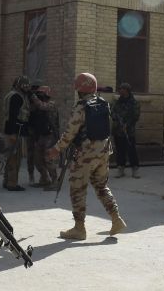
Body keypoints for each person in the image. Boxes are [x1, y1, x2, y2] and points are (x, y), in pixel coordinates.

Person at [46, 72, 127, 240]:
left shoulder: (81, 106)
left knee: (77, 189)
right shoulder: (104, 103)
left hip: (85, 154)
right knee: (102, 187)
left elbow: (70, 132)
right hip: (103, 152)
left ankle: (79, 228)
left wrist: (57, 149)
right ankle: (116, 219)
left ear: (80, 89)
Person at [25, 85, 59, 187]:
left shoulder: (51, 104)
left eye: (41, 94)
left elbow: (42, 106)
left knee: (48, 159)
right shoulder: (36, 105)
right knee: (37, 159)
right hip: (41, 136)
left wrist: (33, 96)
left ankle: (54, 181)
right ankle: (44, 179)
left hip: (51, 136)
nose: (39, 96)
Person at [1, 75, 31, 191]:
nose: (27, 87)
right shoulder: (17, 97)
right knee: (15, 158)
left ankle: (6, 181)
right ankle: (12, 184)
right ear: (19, 85)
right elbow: (13, 116)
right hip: (15, 130)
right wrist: (13, 133)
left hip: (11, 130)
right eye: (25, 85)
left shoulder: (11, 94)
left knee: (10, 157)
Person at [111, 82, 141, 178]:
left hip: (129, 131)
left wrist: (127, 124)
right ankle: (120, 168)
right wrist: (117, 119)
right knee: (120, 150)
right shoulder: (117, 102)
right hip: (118, 131)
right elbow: (112, 112)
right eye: (120, 89)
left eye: (122, 89)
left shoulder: (134, 103)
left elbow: (135, 116)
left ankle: (135, 169)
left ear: (127, 90)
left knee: (131, 150)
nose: (120, 91)